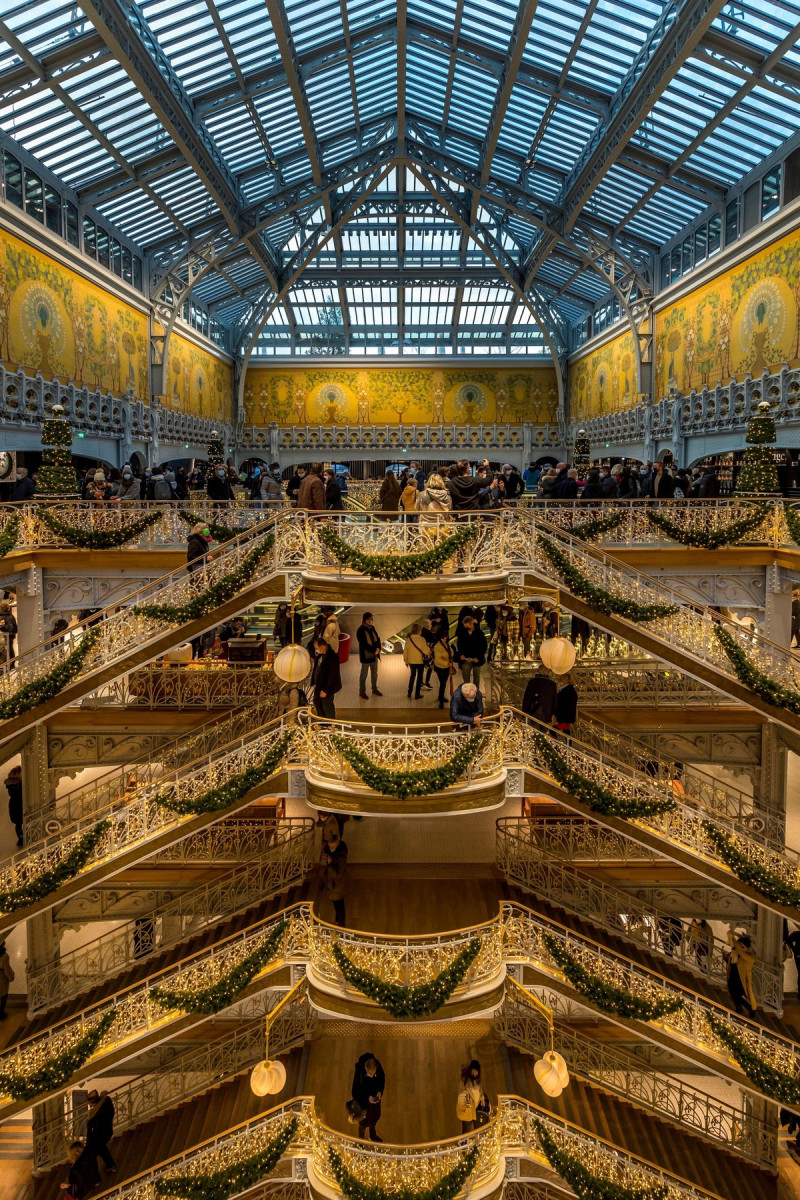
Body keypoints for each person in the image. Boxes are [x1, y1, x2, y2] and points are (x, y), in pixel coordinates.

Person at [351, 1053, 385, 1142]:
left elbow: (382, 1079)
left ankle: (372, 1135)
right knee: (363, 1123)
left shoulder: (378, 1067)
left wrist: (380, 1092)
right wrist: (366, 1098)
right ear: (366, 1069)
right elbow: (355, 1092)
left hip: (375, 1101)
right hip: (363, 1104)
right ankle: (361, 1141)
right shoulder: (359, 1073)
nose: (372, 1077)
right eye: (370, 1075)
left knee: (375, 1117)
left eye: (373, 1075)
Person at [726, 929, 757, 1016]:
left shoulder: (750, 956)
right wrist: (730, 935)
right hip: (733, 973)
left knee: (740, 993)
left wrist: (735, 941)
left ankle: (749, 1008)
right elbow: (730, 943)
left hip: (742, 977)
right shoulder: (736, 952)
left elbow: (741, 953)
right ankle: (740, 1007)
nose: (739, 948)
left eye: (742, 946)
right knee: (732, 991)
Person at [86, 1089, 117, 1175]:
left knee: (98, 1150)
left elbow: (91, 1115)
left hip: (103, 1133)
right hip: (102, 1133)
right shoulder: (106, 1101)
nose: (89, 1105)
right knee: (101, 1150)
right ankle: (110, 1166)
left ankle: (109, 1167)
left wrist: (101, 1100)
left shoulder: (104, 1103)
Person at [323, 826, 348, 926]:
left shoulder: (341, 856)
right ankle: (338, 921)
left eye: (332, 846)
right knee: (337, 905)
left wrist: (330, 864)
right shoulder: (329, 852)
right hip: (332, 885)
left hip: (337, 886)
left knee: (339, 906)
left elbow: (338, 874)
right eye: (330, 846)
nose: (331, 848)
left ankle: (341, 925)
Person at [311, 636, 341, 718]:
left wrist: (326, 690)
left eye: (317, 648)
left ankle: (330, 725)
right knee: (317, 702)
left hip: (326, 688)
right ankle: (323, 722)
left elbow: (333, 675)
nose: (316, 650)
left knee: (327, 705)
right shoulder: (320, 656)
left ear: (323, 646)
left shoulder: (332, 657)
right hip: (319, 685)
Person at [455, 615, 487, 689]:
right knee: (466, 680)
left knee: (476, 680)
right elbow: (459, 645)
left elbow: (483, 646)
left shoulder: (479, 633)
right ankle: (467, 695)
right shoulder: (462, 633)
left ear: (471, 624)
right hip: (466, 659)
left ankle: (475, 695)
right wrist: (461, 654)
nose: (465, 627)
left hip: (476, 659)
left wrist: (478, 657)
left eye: (466, 625)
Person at [356, 612, 383, 699]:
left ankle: (374, 689)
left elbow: (377, 638)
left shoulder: (372, 628)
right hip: (366, 657)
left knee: (374, 674)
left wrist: (379, 648)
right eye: (370, 619)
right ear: (365, 620)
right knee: (364, 675)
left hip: (374, 656)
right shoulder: (360, 630)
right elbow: (364, 644)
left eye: (372, 619)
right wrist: (374, 650)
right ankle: (362, 691)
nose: (371, 620)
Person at [403, 622, 430, 700]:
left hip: (411, 661)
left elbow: (405, 651)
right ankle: (417, 694)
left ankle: (409, 692)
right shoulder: (421, 639)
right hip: (419, 661)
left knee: (412, 676)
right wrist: (429, 652)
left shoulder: (408, 639)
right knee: (419, 678)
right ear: (419, 630)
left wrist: (406, 660)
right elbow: (426, 651)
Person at [456, 1060, 483, 1133]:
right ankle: (465, 1143)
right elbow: (461, 1096)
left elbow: (480, 1091)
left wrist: (481, 1099)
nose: (475, 1075)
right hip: (468, 1110)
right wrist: (465, 1105)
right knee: (466, 1130)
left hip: (475, 1109)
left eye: (476, 1073)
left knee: (477, 1129)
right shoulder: (465, 1081)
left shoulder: (477, 1080)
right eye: (473, 1073)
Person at [431, 627, 454, 709]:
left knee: (443, 683)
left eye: (446, 637)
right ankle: (441, 700)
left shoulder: (447, 644)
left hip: (446, 667)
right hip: (440, 667)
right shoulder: (437, 646)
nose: (445, 638)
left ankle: (441, 697)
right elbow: (438, 659)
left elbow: (451, 653)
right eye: (443, 637)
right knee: (443, 683)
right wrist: (447, 663)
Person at [5, 765, 23, 847]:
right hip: (19, 803)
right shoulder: (18, 784)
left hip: (14, 804)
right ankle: (22, 837)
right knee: (21, 821)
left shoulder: (10, 784)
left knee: (18, 823)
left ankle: (21, 838)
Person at [0, 599, 17, 664]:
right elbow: (14, 627)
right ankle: (12, 662)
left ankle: (4, 663)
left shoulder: (2, 617)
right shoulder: (11, 616)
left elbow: (3, 627)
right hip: (11, 635)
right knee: (10, 649)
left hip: (4, 636)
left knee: (4, 650)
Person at [0, 941, 13, 1019]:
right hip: (1, 979)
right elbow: (7, 970)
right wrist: (11, 977)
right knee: (3, 995)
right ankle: (1, 1012)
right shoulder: (4, 957)